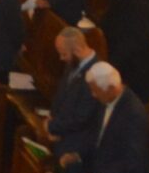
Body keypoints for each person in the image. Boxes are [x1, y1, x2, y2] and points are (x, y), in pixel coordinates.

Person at [44, 24, 105, 159]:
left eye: (64, 54)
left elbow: (82, 118)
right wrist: (52, 118)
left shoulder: (95, 74)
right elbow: (61, 93)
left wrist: (53, 127)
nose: (61, 58)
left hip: (77, 139)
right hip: (61, 126)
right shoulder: (74, 62)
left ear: (77, 50)